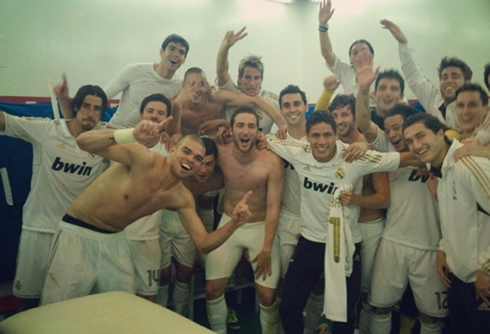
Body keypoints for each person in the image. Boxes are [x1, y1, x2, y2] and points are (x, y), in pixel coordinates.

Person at [40, 121, 252, 305]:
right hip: (77, 233)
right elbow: (83, 141)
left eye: (198, 158)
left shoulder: (180, 197)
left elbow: (204, 243)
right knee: (59, 312)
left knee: (122, 312)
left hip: (115, 241)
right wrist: (131, 134)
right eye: (186, 151)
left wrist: (234, 223)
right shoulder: (143, 158)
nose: (190, 160)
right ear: (173, 150)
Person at [267, 112, 413, 334]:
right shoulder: (299, 152)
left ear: (337, 135)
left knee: (345, 318)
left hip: (345, 245)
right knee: (288, 307)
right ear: (307, 137)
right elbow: (267, 139)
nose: (322, 142)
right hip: (310, 242)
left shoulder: (353, 157)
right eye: (315, 136)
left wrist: (446, 153)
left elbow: (403, 158)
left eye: (327, 135)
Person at [0, 84, 109, 312]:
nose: (91, 113)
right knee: (28, 302)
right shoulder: (47, 130)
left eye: (97, 109)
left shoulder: (105, 142)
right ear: (76, 106)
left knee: (67, 304)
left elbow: (141, 141)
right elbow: (5, 121)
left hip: (75, 236)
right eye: (86, 106)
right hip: (38, 230)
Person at [403, 113, 490, 334]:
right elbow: (460, 218)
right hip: (459, 279)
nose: (416, 145)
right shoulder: (440, 170)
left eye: (421, 136)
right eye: (410, 141)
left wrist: (488, 270)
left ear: (441, 133)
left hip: (482, 281)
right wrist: (444, 248)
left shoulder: (467, 165)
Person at [204, 107, 284, 334]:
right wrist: (218, 129)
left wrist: (267, 247)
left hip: (261, 228)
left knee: (267, 296)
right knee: (211, 290)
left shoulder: (271, 160)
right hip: (230, 224)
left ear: (259, 132)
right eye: (240, 125)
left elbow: (273, 206)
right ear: (231, 129)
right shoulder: (221, 150)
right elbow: (199, 136)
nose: (245, 131)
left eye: (251, 126)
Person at [328, 94, 391, 333]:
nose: (340, 120)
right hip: (342, 229)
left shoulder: (369, 148)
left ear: (355, 116)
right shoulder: (330, 145)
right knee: (343, 291)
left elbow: (384, 198)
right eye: (335, 116)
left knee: (367, 293)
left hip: (369, 228)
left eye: (345, 114)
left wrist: (356, 200)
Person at [157, 137, 224, 317]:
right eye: (201, 162)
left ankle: (181, 318)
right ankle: (160, 320)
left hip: (187, 225)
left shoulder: (216, 180)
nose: (203, 169)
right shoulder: (175, 167)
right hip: (161, 223)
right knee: (162, 275)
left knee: (185, 273)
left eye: (209, 164)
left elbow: (207, 207)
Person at [121, 93, 174, 303]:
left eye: (160, 113)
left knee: (148, 299)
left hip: (148, 239)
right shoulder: (123, 142)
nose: (154, 116)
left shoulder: (171, 152)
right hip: (117, 238)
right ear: (140, 113)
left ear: (167, 119)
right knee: (117, 300)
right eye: (150, 111)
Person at [381, 19, 473, 134]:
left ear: (468, 83)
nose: (449, 81)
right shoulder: (434, 101)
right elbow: (415, 78)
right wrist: (403, 44)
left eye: (455, 76)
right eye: (444, 77)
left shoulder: (477, 108)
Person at [167, 67, 286, 136]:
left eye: (201, 84)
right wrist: (178, 106)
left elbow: (255, 99)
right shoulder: (174, 104)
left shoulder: (216, 97)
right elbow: (173, 138)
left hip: (215, 143)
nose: (196, 89)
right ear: (183, 86)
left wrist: (282, 125)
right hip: (185, 146)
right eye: (191, 84)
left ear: (208, 86)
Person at [216, 27, 282, 133]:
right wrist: (225, 48)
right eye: (247, 77)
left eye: (256, 78)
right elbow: (222, 71)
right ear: (239, 79)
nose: (252, 83)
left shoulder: (273, 101)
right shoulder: (231, 92)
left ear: (262, 79)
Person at [318, 0, 376, 96]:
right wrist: (322, 26)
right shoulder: (345, 72)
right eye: (355, 53)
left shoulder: (382, 78)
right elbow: (327, 54)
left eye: (364, 51)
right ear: (350, 59)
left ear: (372, 56)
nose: (360, 55)